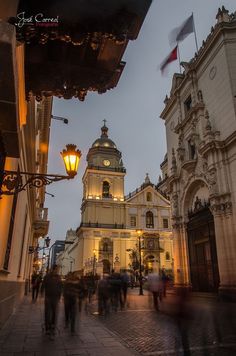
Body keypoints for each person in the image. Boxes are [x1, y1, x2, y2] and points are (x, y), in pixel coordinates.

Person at [41, 265, 62, 339]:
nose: (57, 271)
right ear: (53, 269)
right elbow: (43, 285)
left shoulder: (58, 277)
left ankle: (52, 327)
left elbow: (60, 287)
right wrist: (42, 293)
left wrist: (59, 296)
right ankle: (47, 328)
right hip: (48, 297)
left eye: (58, 269)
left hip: (56, 298)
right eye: (56, 269)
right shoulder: (47, 277)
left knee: (54, 313)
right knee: (47, 313)